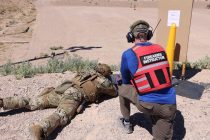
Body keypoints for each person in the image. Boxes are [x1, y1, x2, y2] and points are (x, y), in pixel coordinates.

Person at [0, 63, 118, 140]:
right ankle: (41, 128)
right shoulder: (103, 81)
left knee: (33, 101)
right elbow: (114, 92)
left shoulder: (85, 71)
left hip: (62, 89)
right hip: (73, 95)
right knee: (62, 114)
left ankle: (3, 102)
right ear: (105, 73)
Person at [119, 20, 177, 140]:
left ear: (130, 36)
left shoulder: (128, 54)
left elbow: (125, 80)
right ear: (148, 35)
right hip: (169, 106)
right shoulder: (161, 49)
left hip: (147, 105)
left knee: (122, 87)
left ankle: (127, 122)